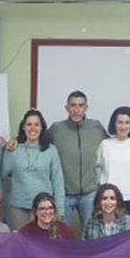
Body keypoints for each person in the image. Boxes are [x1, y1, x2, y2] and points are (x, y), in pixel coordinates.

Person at [47, 90, 107, 228]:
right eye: (73, 105)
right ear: (67, 107)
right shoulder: (57, 129)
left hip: (90, 193)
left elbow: (114, 143)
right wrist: (15, 140)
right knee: (61, 234)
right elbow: (36, 141)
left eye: (81, 105)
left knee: (91, 234)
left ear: (86, 108)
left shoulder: (96, 127)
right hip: (64, 194)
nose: (76, 110)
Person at [2, 109, 65, 231]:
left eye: (37, 124)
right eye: (29, 124)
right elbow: (3, 175)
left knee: (42, 245)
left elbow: (58, 182)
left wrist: (60, 210)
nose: (33, 128)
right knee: (20, 244)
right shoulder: (13, 150)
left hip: (44, 208)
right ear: (23, 128)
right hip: (18, 208)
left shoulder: (51, 150)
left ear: (42, 128)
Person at [97, 106, 130, 217]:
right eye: (120, 122)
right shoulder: (105, 144)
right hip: (108, 198)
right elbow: (97, 169)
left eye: (127, 122)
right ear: (114, 124)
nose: (123, 126)